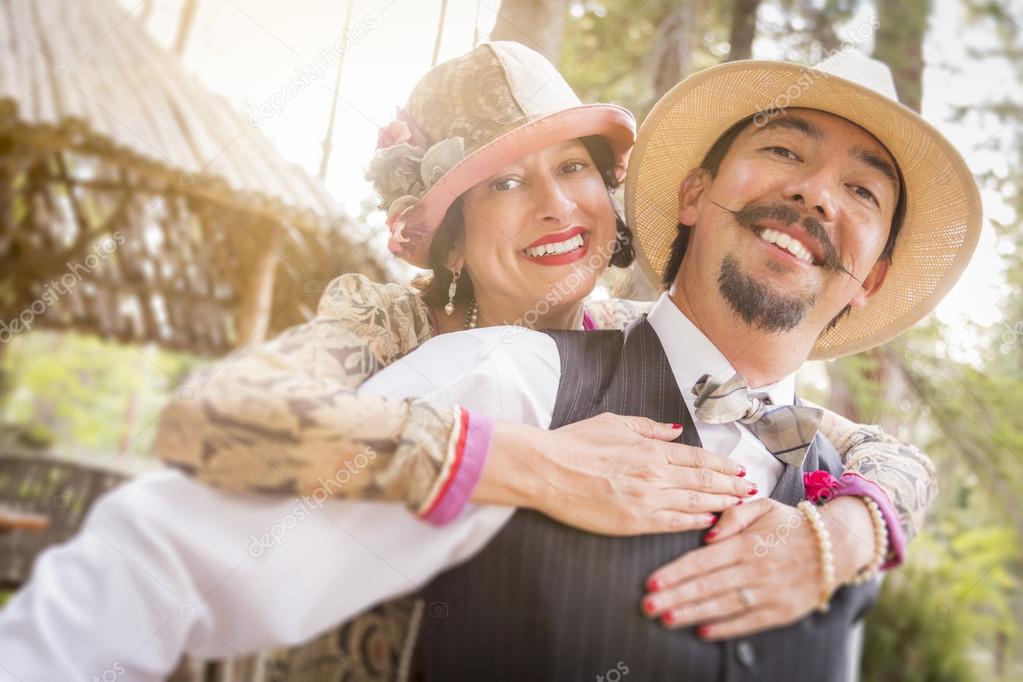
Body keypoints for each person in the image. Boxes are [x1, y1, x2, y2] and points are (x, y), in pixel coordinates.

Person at [0, 46, 956, 681]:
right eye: (502, 182)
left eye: (575, 168)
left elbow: (874, 450)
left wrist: (850, 532)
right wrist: (505, 457)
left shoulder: (815, 471)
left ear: (867, 279)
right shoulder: (478, 368)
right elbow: (175, 509)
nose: (555, 208)